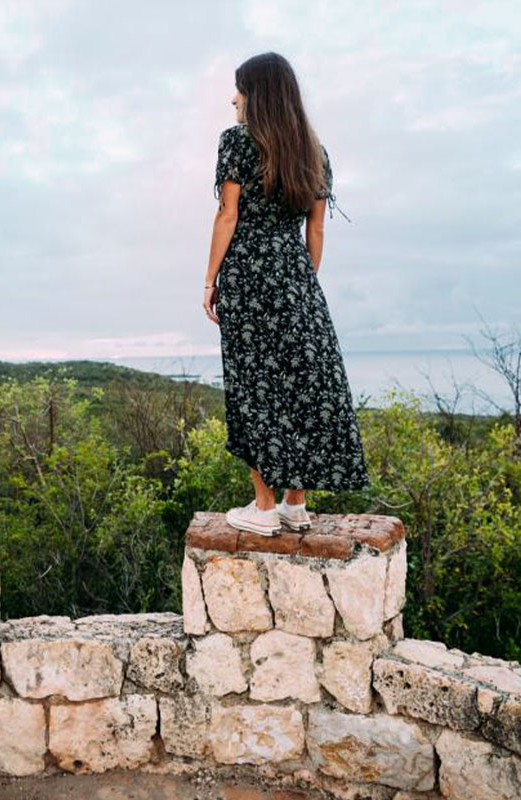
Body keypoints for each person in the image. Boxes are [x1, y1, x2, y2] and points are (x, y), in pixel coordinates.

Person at [202, 52, 370, 537]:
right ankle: (297, 504)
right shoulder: (315, 150)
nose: (234, 98)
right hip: (297, 278)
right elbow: (316, 229)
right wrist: (301, 282)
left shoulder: (236, 141)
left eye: (240, 89)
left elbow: (227, 215)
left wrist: (210, 280)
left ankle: (264, 506)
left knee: (255, 386)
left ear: (257, 94)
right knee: (306, 383)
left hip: (248, 275)